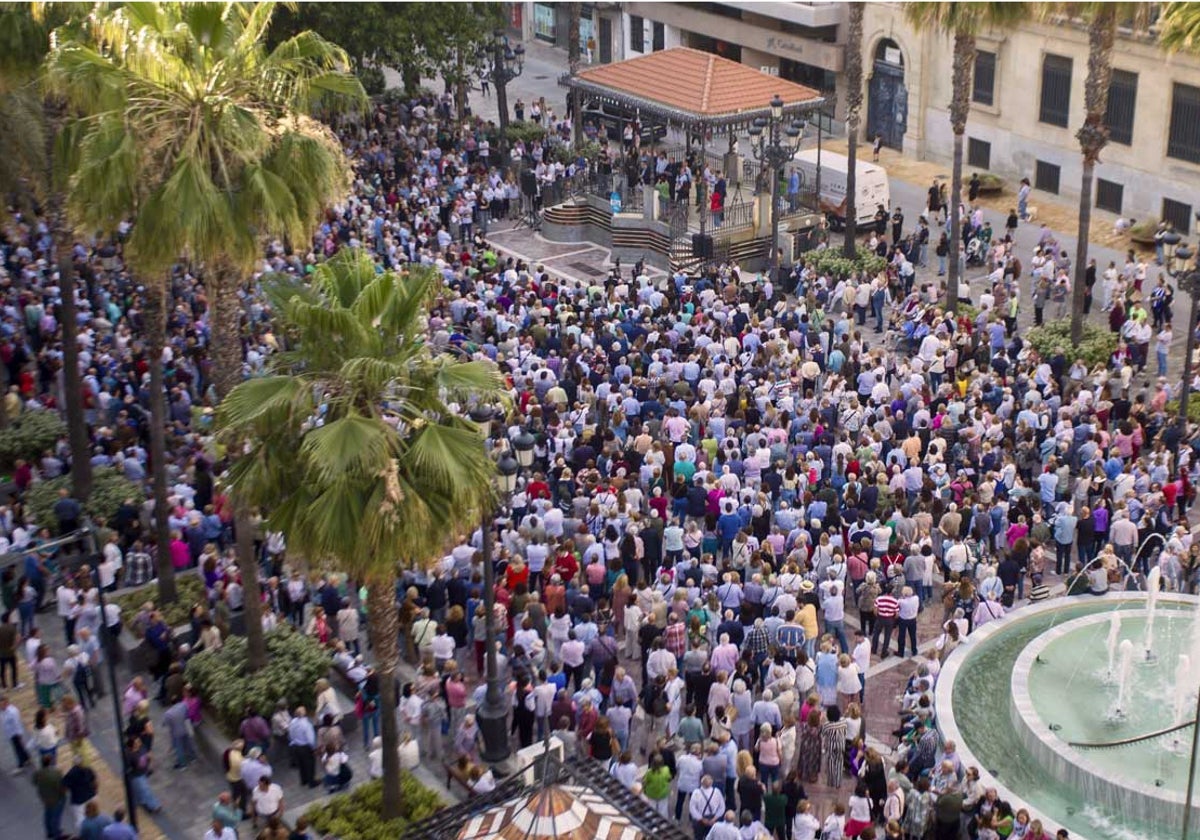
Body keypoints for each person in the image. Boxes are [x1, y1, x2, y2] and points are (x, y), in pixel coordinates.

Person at [32, 753, 66, 840]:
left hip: (45, 798)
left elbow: (34, 782)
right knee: (56, 817)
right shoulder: (56, 773)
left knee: (48, 815)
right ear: (50, 762)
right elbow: (60, 787)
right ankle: (57, 835)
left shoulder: (38, 773)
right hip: (56, 798)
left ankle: (49, 832)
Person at [1, 692, 31, 771]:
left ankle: (20, 765)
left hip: (15, 733)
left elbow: (17, 723)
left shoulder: (12, 712)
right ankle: (27, 758)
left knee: (17, 749)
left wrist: (19, 734)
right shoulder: (3, 711)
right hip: (10, 733)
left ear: (6, 703)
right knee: (20, 747)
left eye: (2, 704)